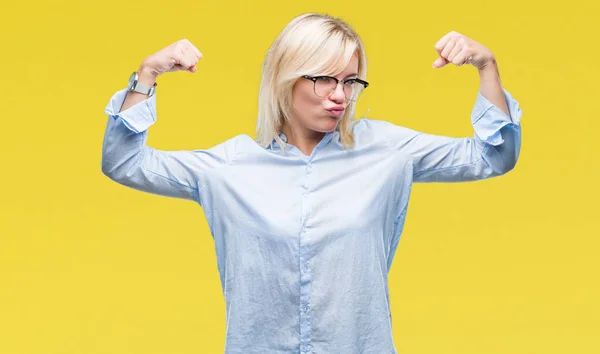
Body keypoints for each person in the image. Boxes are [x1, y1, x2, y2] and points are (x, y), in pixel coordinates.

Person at [101, 12, 522, 354]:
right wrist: (147, 74)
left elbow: (493, 155)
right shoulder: (229, 167)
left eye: (350, 80)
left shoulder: (389, 151)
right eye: (323, 78)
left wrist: (486, 66)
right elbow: (123, 163)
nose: (340, 95)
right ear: (286, 78)